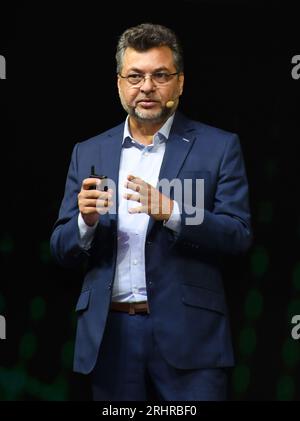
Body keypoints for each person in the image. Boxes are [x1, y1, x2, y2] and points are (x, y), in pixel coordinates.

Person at [50, 23, 252, 401]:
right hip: (110, 338)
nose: (147, 87)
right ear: (119, 84)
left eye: (160, 75)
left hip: (191, 337)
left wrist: (174, 212)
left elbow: (238, 235)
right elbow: (61, 249)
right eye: (136, 76)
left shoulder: (219, 147)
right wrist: (85, 223)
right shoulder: (87, 151)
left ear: (179, 83)